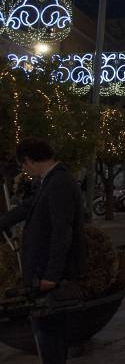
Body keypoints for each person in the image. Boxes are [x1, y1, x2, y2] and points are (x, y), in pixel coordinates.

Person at [0, 138, 88, 364]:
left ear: (28, 161)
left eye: (23, 166)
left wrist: (51, 275)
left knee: (51, 335)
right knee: (48, 333)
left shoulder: (59, 182)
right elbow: (26, 207)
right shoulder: (50, 180)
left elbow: (62, 233)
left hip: (51, 278)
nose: (24, 171)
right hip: (45, 274)